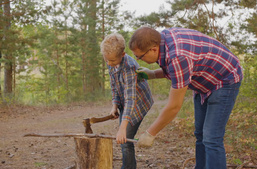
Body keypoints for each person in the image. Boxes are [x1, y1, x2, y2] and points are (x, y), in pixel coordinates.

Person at [129, 27, 243, 169]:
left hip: (225, 79)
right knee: (200, 134)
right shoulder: (163, 40)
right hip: (203, 82)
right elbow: (178, 69)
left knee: (211, 138)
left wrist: (150, 133)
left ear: (153, 49)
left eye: (140, 56)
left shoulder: (178, 56)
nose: (139, 60)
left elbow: (174, 106)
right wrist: (153, 74)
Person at [100, 33, 154, 169]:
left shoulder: (129, 67)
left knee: (125, 140)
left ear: (123, 54)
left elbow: (131, 99)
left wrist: (122, 128)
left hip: (138, 103)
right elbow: (114, 85)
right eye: (106, 60)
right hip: (126, 101)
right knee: (124, 139)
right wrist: (115, 105)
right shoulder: (111, 61)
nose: (109, 64)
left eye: (112, 61)